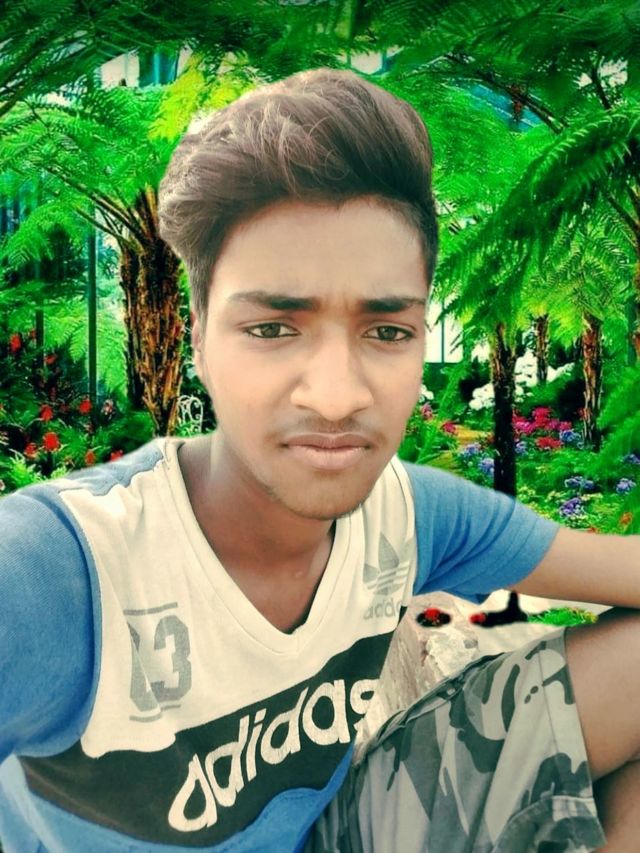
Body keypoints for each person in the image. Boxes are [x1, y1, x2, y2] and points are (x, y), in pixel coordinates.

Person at [0, 66, 638, 853]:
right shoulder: (61, 571)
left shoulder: (405, 514)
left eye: (387, 331)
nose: (336, 397)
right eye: (273, 329)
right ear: (196, 338)